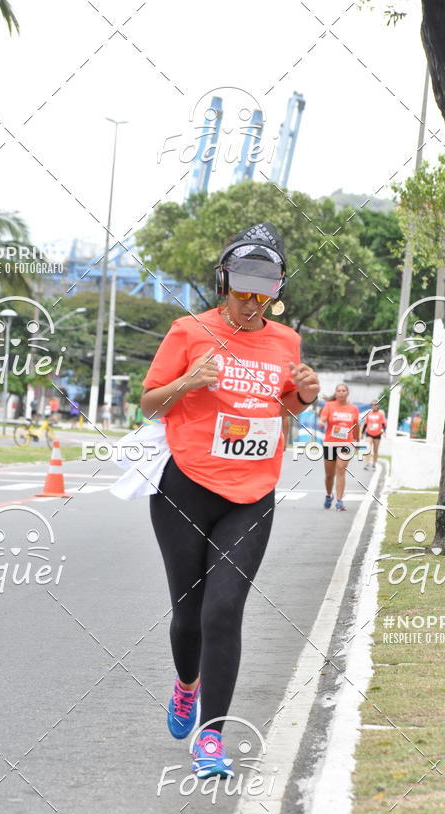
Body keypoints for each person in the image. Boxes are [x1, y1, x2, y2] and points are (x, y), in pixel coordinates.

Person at [140, 222, 319, 779]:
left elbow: (282, 410)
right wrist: (190, 380)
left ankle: (211, 737)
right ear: (224, 283)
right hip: (185, 488)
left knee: (224, 610)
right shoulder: (188, 331)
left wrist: (303, 397)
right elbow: (149, 403)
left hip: (252, 493)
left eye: (263, 292)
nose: (252, 302)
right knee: (189, 614)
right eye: (242, 290)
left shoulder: (285, 341)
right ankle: (186, 685)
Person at [319, 383, 360, 511]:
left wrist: (357, 440)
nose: (341, 392)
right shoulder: (329, 406)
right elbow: (323, 418)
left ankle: (340, 501)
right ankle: (328, 495)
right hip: (330, 443)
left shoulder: (353, 408)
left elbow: (356, 425)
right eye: (339, 391)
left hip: (346, 444)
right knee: (329, 475)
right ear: (336, 393)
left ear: (347, 393)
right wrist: (321, 422)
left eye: (343, 390)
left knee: (341, 470)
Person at [361, 399, 386, 470]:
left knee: (375, 450)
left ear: (378, 405)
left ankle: (374, 464)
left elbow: (383, 424)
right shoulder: (369, 414)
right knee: (368, 447)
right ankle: (367, 463)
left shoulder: (381, 414)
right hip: (369, 433)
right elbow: (365, 424)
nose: (374, 406)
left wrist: (384, 431)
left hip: (377, 434)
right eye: (372, 405)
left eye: (375, 404)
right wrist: (362, 433)